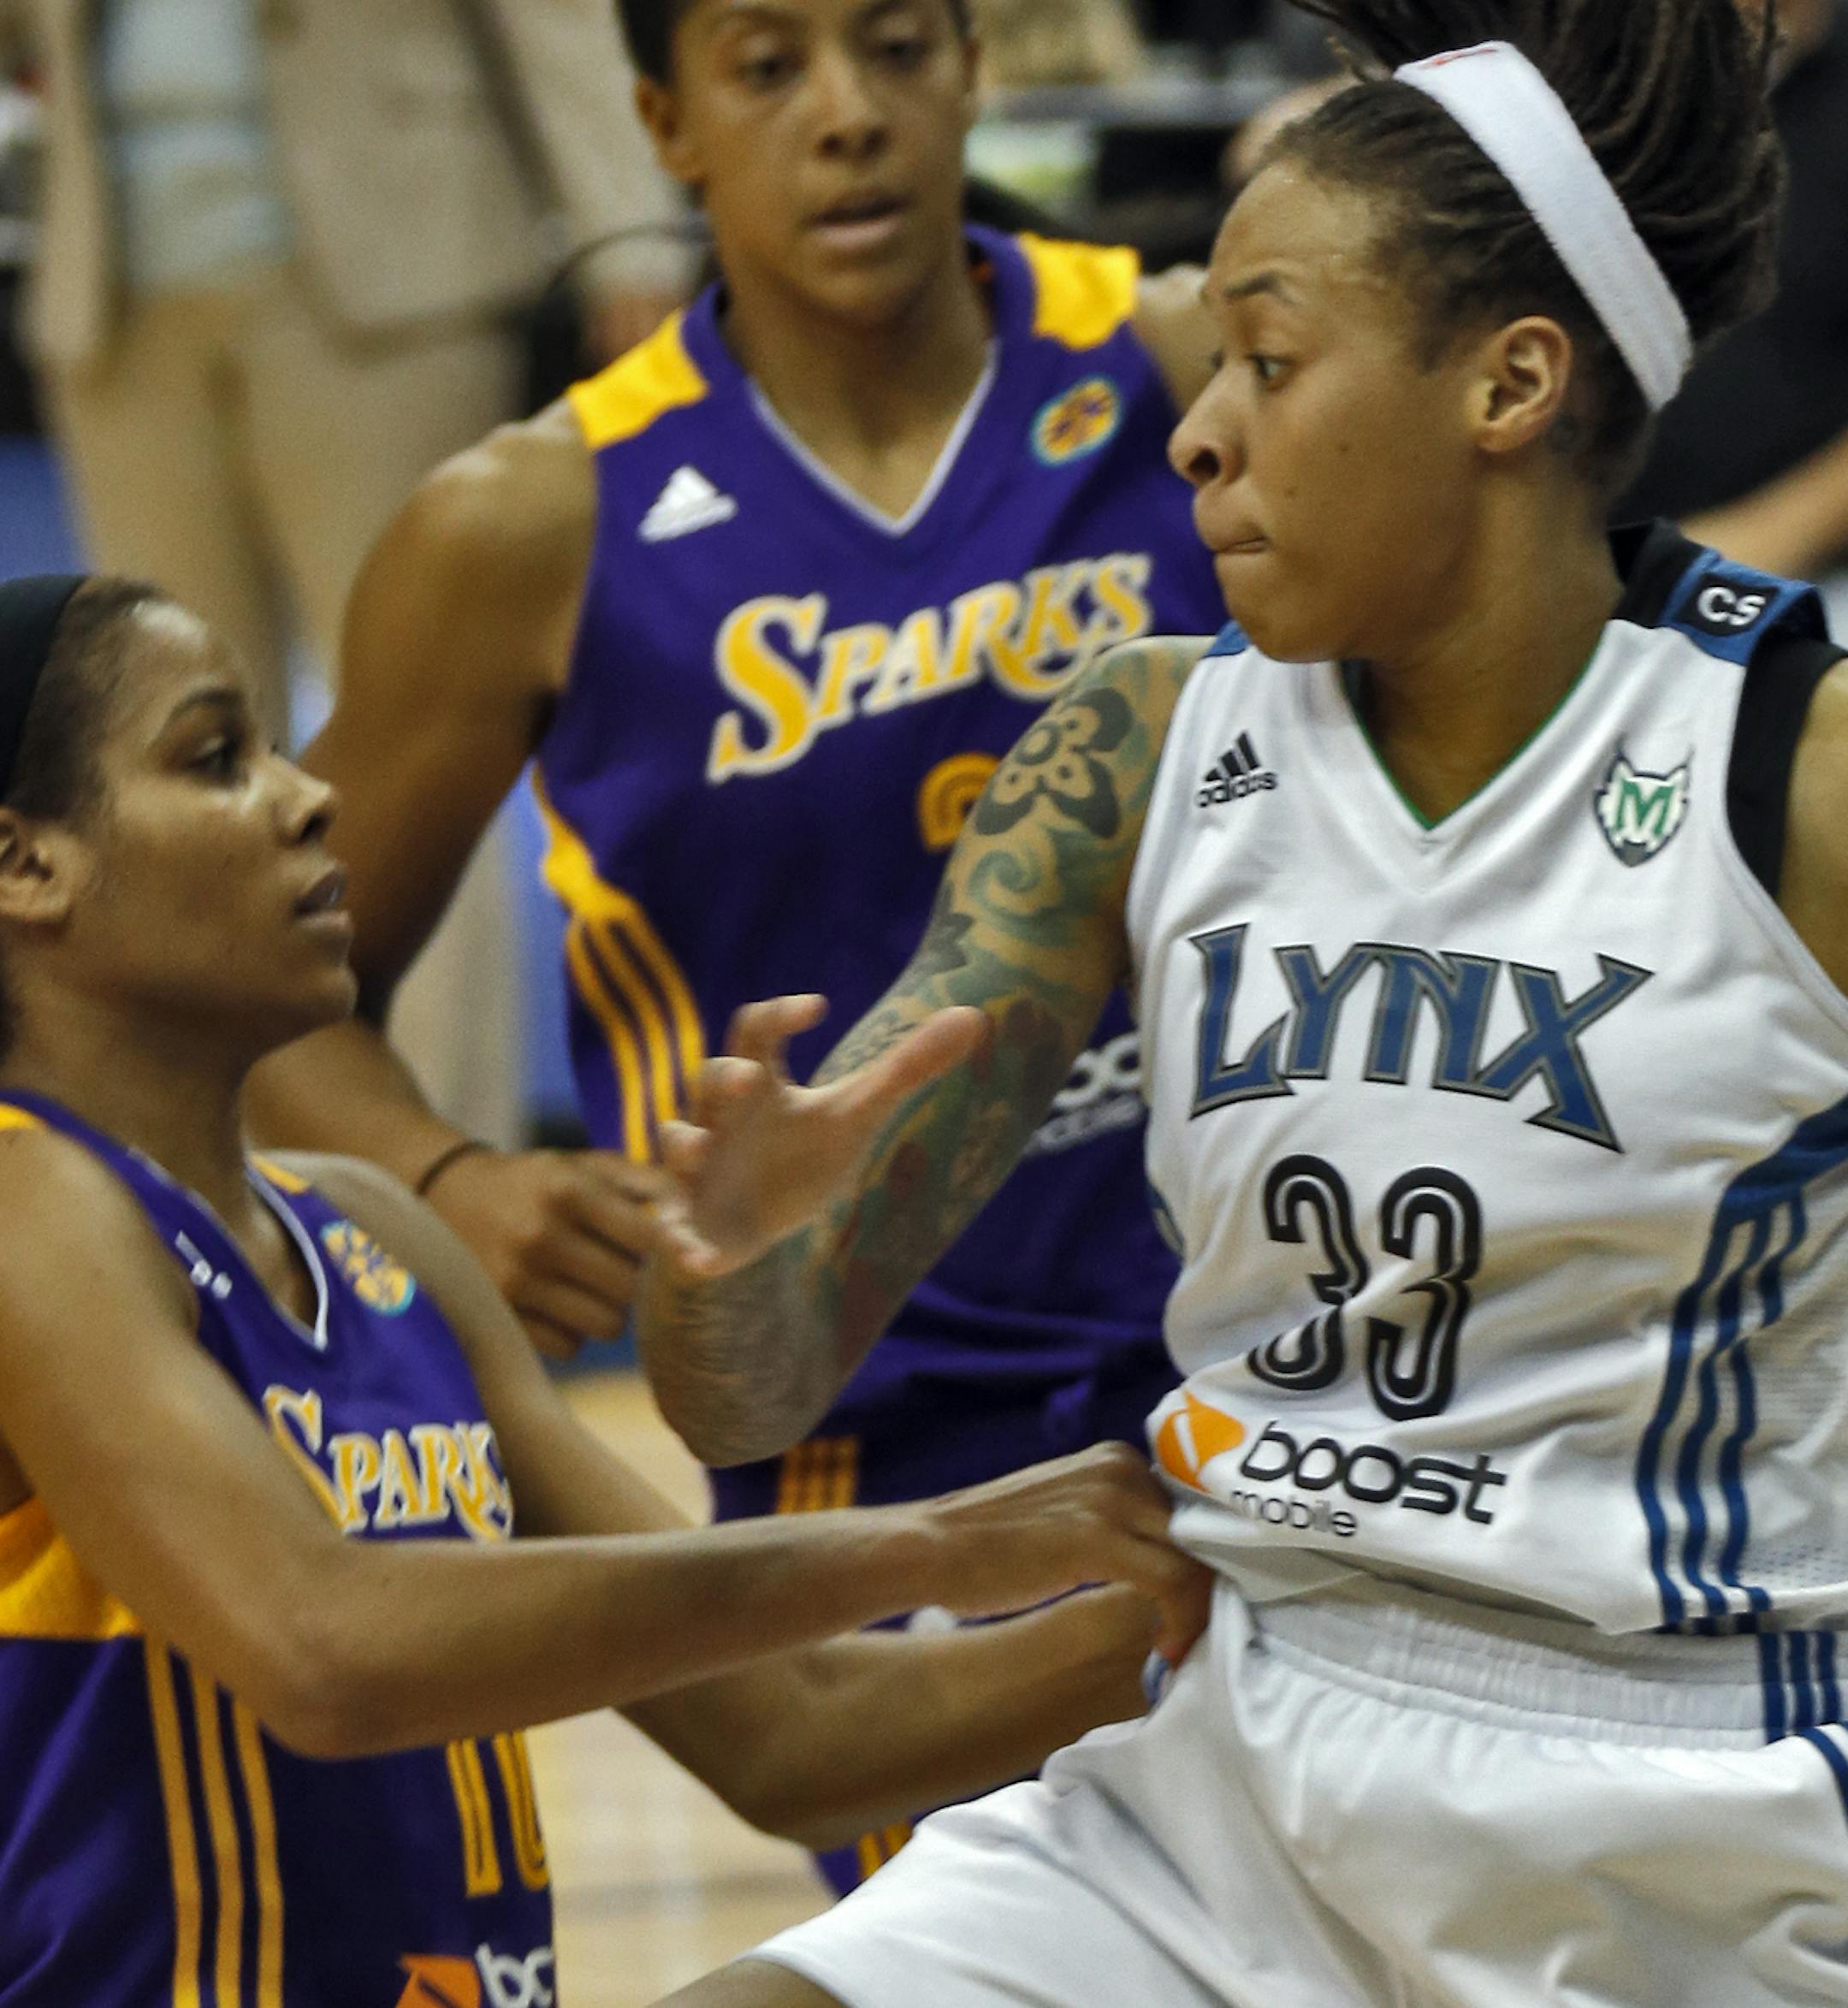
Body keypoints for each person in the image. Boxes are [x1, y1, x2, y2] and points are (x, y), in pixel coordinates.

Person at [629, 0, 1848, 2001]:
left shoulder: (1791, 765)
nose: (1197, 434)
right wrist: (724, 1261)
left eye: (1268, 364)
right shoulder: (1138, 747)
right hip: (1229, 1746)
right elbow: (745, 1391)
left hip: (1676, 1804)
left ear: (1509, 384)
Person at [246, 0, 1227, 1891]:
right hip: (865, 1450)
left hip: (1267, 1347)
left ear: (973, 63)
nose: (845, 117)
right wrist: (447, 1176)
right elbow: (264, 993)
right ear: (664, 121)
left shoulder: (1191, 360)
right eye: (768, 67)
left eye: (896, 46)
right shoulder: (527, 523)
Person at [0, 572, 1210, 2004]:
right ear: (25, 865)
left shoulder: (377, 1240)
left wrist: (1239, 1599)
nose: (307, 797)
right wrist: (929, 1549)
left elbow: (796, 1733)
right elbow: (322, 1648)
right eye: (215, 758)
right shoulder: (27, 1204)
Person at [0, 0, 693, 1147]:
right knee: (153, 765)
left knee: (426, 741)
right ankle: (217, 1182)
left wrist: (631, 239)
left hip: (388, 284)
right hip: (114, 298)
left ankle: (445, 1169)